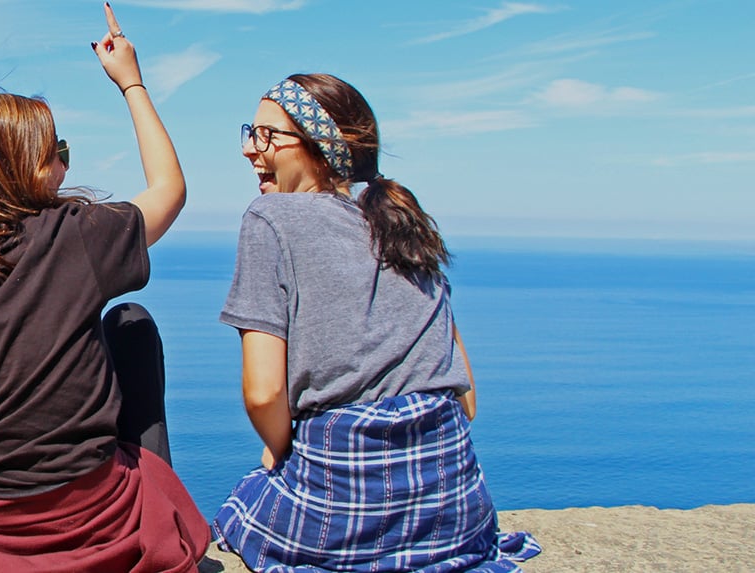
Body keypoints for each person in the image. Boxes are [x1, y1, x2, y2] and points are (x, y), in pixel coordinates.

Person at [0, 6, 208, 572]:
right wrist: (131, 81)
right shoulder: (74, 236)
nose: (63, 162)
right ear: (21, 169)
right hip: (99, 518)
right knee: (128, 323)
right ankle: (155, 518)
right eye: (56, 152)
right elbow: (169, 189)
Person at [211, 73, 542, 571]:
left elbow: (263, 394)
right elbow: (466, 398)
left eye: (266, 136)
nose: (249, 149)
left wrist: (283, 455)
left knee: (243, 504)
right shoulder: (401, 222)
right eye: (250, 133)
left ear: (318, 145)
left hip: (345, 503)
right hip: (457, 513)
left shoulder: (270, 218)